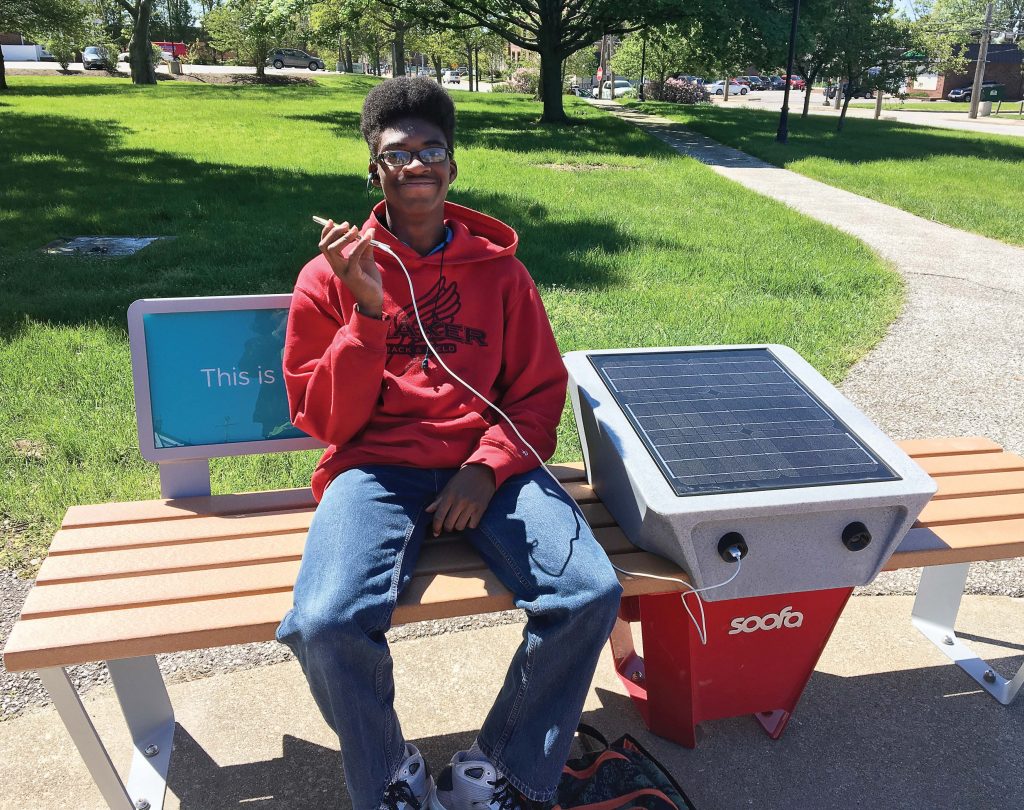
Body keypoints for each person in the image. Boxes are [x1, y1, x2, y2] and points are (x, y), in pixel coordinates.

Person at [275, 77, 623, 810]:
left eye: (432, 150)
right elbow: (325, 422)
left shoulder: (501, 272)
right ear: (374, 171)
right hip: (375, 470)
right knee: (326, 623)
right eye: (397, 154)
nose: (417, 164)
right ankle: (389, 775)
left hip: (487, 467)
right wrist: (366, 314)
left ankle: (496, 767)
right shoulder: (326, 278)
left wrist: (486, 467)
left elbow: (533, 394)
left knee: (590, 592)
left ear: (453, 167)